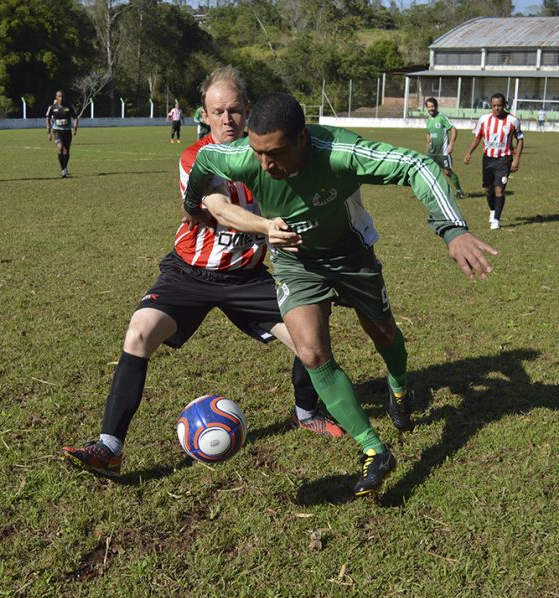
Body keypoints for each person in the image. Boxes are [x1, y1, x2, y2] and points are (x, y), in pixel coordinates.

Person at [183, 92, 498, 496]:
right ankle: (373, 449)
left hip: (351, 253)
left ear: (302, 139)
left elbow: (417, 164)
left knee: (382, 332)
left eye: (275, 153)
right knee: (311, 352)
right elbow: (207, 160)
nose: (265, 165)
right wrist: (194, 203)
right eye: (259, 153)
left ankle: (399, 386)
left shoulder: (340, 152)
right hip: (296, 262)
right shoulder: (244, 156)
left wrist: (452, 229)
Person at [61, 67, 343, 480]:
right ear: (205, 116)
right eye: (218, 111)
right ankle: (109, 448)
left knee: (310, 339)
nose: (227, 119)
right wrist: (266, 227)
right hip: (188, 274)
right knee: (139, 333)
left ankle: (306, 412)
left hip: (247, 277)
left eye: (234, 110)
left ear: (248, 112)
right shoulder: (196, 157)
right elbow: (219, 208)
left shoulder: (271, 155)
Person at [464, 92, 524, 230]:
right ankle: (492, 211)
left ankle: (496, 220)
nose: (496, 108)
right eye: (494, 106)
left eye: (499, 106)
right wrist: (469, 152)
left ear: (504, 105)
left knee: (499, 190)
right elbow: (478, 137)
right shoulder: (484, 119)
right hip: (488, 159)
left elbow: (520, 139)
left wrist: (516, 159)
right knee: (488, 189)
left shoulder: (513, 121)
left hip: (504, 159)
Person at [424, 97, 465, 198]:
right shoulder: (428, 120)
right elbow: (428, 134)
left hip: (443, 152)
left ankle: (459, 191)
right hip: (431, 152)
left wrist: (451, 144)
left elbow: (454, 129)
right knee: (430, 172)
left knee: (447, 172)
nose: (431, 109)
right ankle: (432, 193)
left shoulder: (442, 117)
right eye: (428, 107)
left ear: (436, 106)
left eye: (432, 106)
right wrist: (427, 146)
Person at [46, 90, 78, 178]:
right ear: (56, 97)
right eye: (59, 96)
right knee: (60, 148)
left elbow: (75, 117)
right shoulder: (52, 107)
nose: (61, 98)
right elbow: (47, 118)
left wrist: (75, 128)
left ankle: (65, 168)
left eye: (63, 96)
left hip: (67, 131)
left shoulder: (69, 106)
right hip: (57, 131)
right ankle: (63, 169)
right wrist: (48, 132)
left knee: (66, 150)